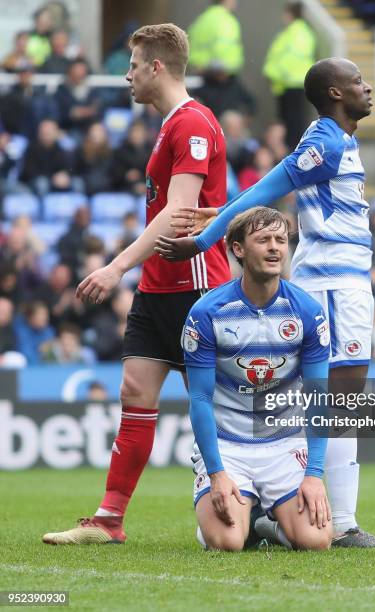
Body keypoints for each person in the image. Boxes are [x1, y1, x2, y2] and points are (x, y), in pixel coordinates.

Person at [156, 58, 375, 547]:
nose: (367, 88)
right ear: (335, 92)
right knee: (337, 399)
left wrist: (219, 216)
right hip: (331, 283)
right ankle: (339, 520)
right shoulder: (326, 141)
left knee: (335, 399)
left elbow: (266, 189)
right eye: (357, 82)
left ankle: (278, 502)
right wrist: (209, 238)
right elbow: (270, 187)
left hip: (346, 280)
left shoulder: (339, 140)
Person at [42, 23, 231, 545]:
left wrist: (115, 266)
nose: (125, 76)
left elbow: (178, 213)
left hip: (196, 286)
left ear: (156, 67)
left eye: (131, 66)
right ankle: (109, 520)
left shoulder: (193, 123)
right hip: (158, 287)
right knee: (134, 391)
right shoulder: (171, 124)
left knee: (215, 404)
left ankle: (249, 495)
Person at [186, 207, 332, 551]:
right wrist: (217, 471)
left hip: (284, 441)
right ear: (238, 248)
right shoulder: (207, 313)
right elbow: (200, 399)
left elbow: (318, 397)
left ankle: (268, 525)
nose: (274, 248)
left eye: (281, 239)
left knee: (316, 541)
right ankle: (237, 520)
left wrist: (314, 474)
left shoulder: (308, 311)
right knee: (226, 543)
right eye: (263, 239)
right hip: (228, 443)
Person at [263, 1, 316, 150]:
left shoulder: (296, 34)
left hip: (290, 84)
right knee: (290, 123)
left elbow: (286, 61)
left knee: (291, 125)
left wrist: (271, 73)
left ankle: (291, 153)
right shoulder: (300, 33)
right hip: (289, 84)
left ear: (290, 14)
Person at [188, 0, 244, 76]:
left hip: (198, 72)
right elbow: (222, 51)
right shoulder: (227, 21)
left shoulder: (202, 19)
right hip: (219, 77)